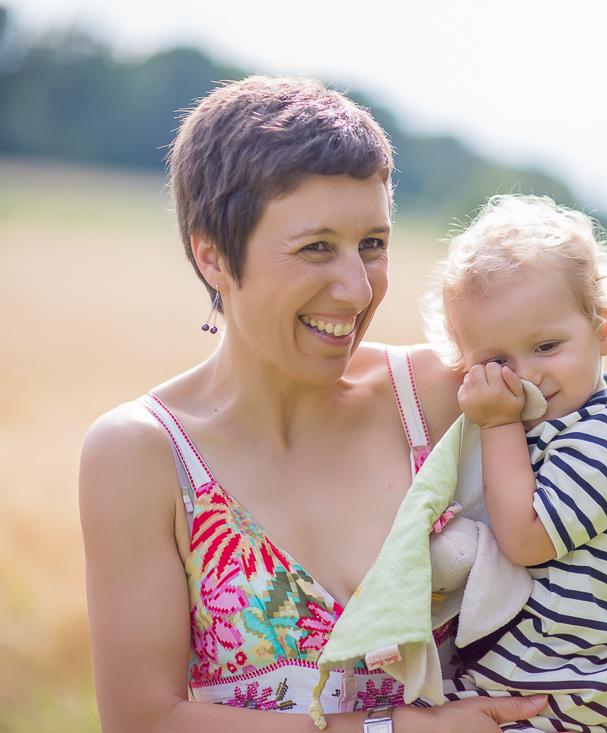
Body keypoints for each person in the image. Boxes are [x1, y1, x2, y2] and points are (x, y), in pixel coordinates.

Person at [79, 76, 549, 733]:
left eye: (374, 245)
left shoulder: (446, 399)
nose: (357, 289)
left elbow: (597, 590)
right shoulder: (144, 453)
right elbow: (144, 720)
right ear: (211, 253)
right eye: (316, 247)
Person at [421, 195, 607, 732]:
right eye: (496, 361)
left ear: (604, 329)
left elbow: (526, 539)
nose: (526, 377)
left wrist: (499, 423)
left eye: (547, 345)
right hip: (507, 681)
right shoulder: (552, 426)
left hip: (552, 697)